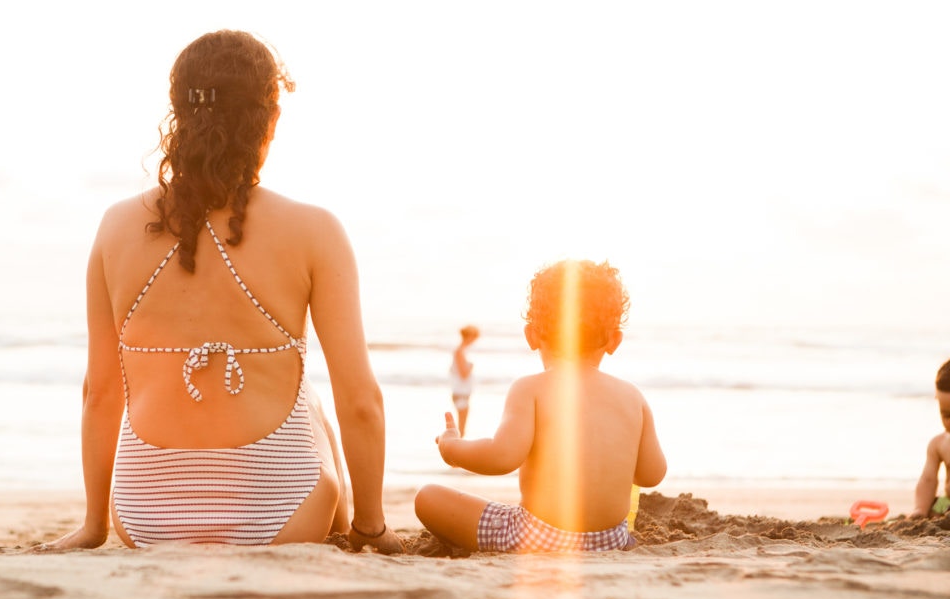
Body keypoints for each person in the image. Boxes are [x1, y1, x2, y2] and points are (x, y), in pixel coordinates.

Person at [38, 30, 402, 554]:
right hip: (282, 513)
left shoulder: (115, 226)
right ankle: (358, 529)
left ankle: (103, 516)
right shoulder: (314, 229)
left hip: (145, 515)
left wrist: (96, 525)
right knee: (314, 397)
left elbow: (100, 392)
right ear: (268, 121)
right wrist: (376, 525)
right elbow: (362, 400)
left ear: (178, 115)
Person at [414, 259, 667, 553]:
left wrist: (453, 449)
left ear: (531, 335)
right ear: (614, 341)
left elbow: (502, 457)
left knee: (428, 497)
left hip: (539, 535)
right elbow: (652, 474)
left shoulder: (529, 389)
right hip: (609, 541)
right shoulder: (633, 397)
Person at [910, 359, 950, 518]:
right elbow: (928, 480)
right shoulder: (939, 444)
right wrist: (920, 509)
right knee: (934, 509)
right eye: (946, 415)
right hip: (948, 501)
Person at [450, 325, 480, 435]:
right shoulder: (459, 352)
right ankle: (458, 450)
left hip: (462, 392)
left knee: (462, 428)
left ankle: (458, 449)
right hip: (460, 392)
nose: (474, 341)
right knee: (461, 429)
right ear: (468, 336)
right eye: (474, 337)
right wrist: (471, 366)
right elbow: (463, 374)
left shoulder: (461, 351)